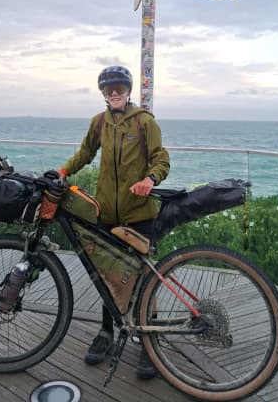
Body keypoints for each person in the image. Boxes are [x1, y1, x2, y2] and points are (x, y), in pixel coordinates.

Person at [58, 65, 170, 379]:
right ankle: (106, 332)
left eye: (120, 87)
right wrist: (63, 171)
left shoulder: (145, 122)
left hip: (139, 215)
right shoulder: (99, 122)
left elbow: (162, 158)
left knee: (143, 279)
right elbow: (85, 153)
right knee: (108, 275)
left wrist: (150, 179)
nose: (115, 93)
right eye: (109, 89)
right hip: (106, 214)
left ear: (128, 90)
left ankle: (150, 342)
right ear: (104, 94)